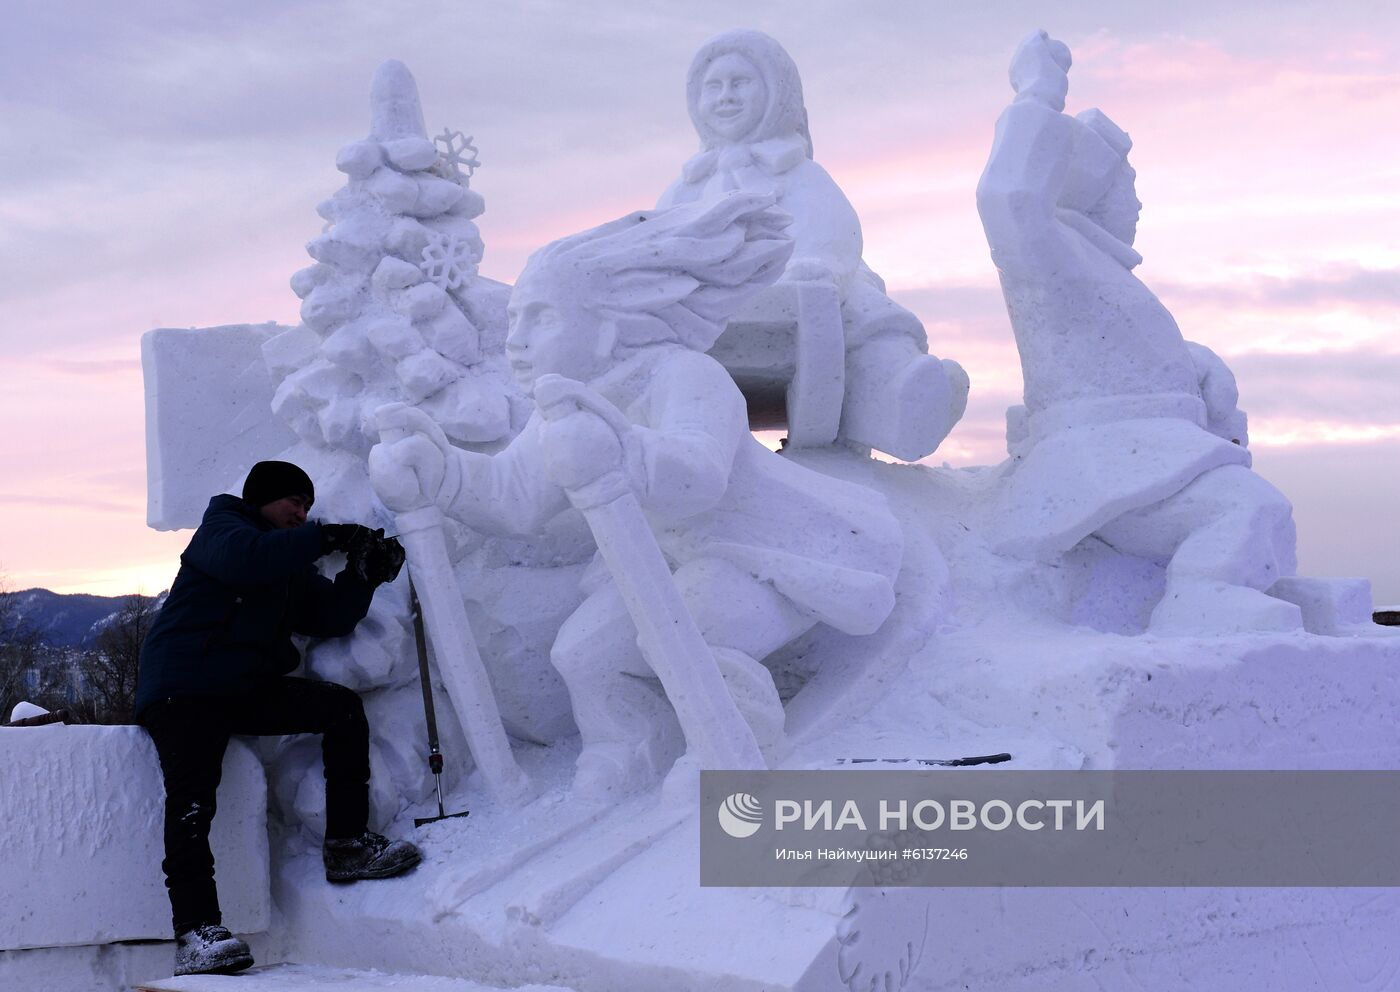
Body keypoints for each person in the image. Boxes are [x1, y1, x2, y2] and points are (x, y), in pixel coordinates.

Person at [369, 193, 903, 800]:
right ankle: (625, 746)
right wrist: (443, 475)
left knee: (687, 626)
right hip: (669, 562)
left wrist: (626, 450)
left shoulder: (685, 376)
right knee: (582, 654)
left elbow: (699, 477)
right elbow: (514, 496)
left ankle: (733, 739)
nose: (515, 340)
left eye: (539, 318)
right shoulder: (564, 407)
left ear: (606, 328)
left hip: (773, 555)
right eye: (515, 320)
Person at [976, 31, 1301, 634]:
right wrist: (1039, 95)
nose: (1136, 199)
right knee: (1250, 508)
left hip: (1149, 454)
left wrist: (1194, 365)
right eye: (1126, 182)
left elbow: (1121, 351)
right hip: (1108, 461)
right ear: (1094, 188)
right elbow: (1008, 199)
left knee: (1254, 508)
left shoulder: (1103, 268)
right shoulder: (1053, 256)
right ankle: (1205, 597)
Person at [136, 460, 420, 977]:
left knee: (341, 710)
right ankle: (197, 931)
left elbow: (329, 617)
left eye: (309, 506)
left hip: (243, 689)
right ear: (261, 498)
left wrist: (364, 575)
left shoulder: (289, 570)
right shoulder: (223, 529)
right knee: (194, 801)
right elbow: (248, 560)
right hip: (186, 685)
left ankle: (348, 844)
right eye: (294, 501)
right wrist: (327, 535)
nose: (302, 511)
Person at [658, 29, 968, 460]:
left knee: (863, 307)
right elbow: (657, 245)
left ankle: (897, 393)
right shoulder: (687, 187)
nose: (725, 96)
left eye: (740, 83)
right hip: (707, 306)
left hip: (800, 280)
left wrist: (819, 264)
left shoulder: (797, 173)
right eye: (714, 86)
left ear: (775, 93)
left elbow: (834, 230)